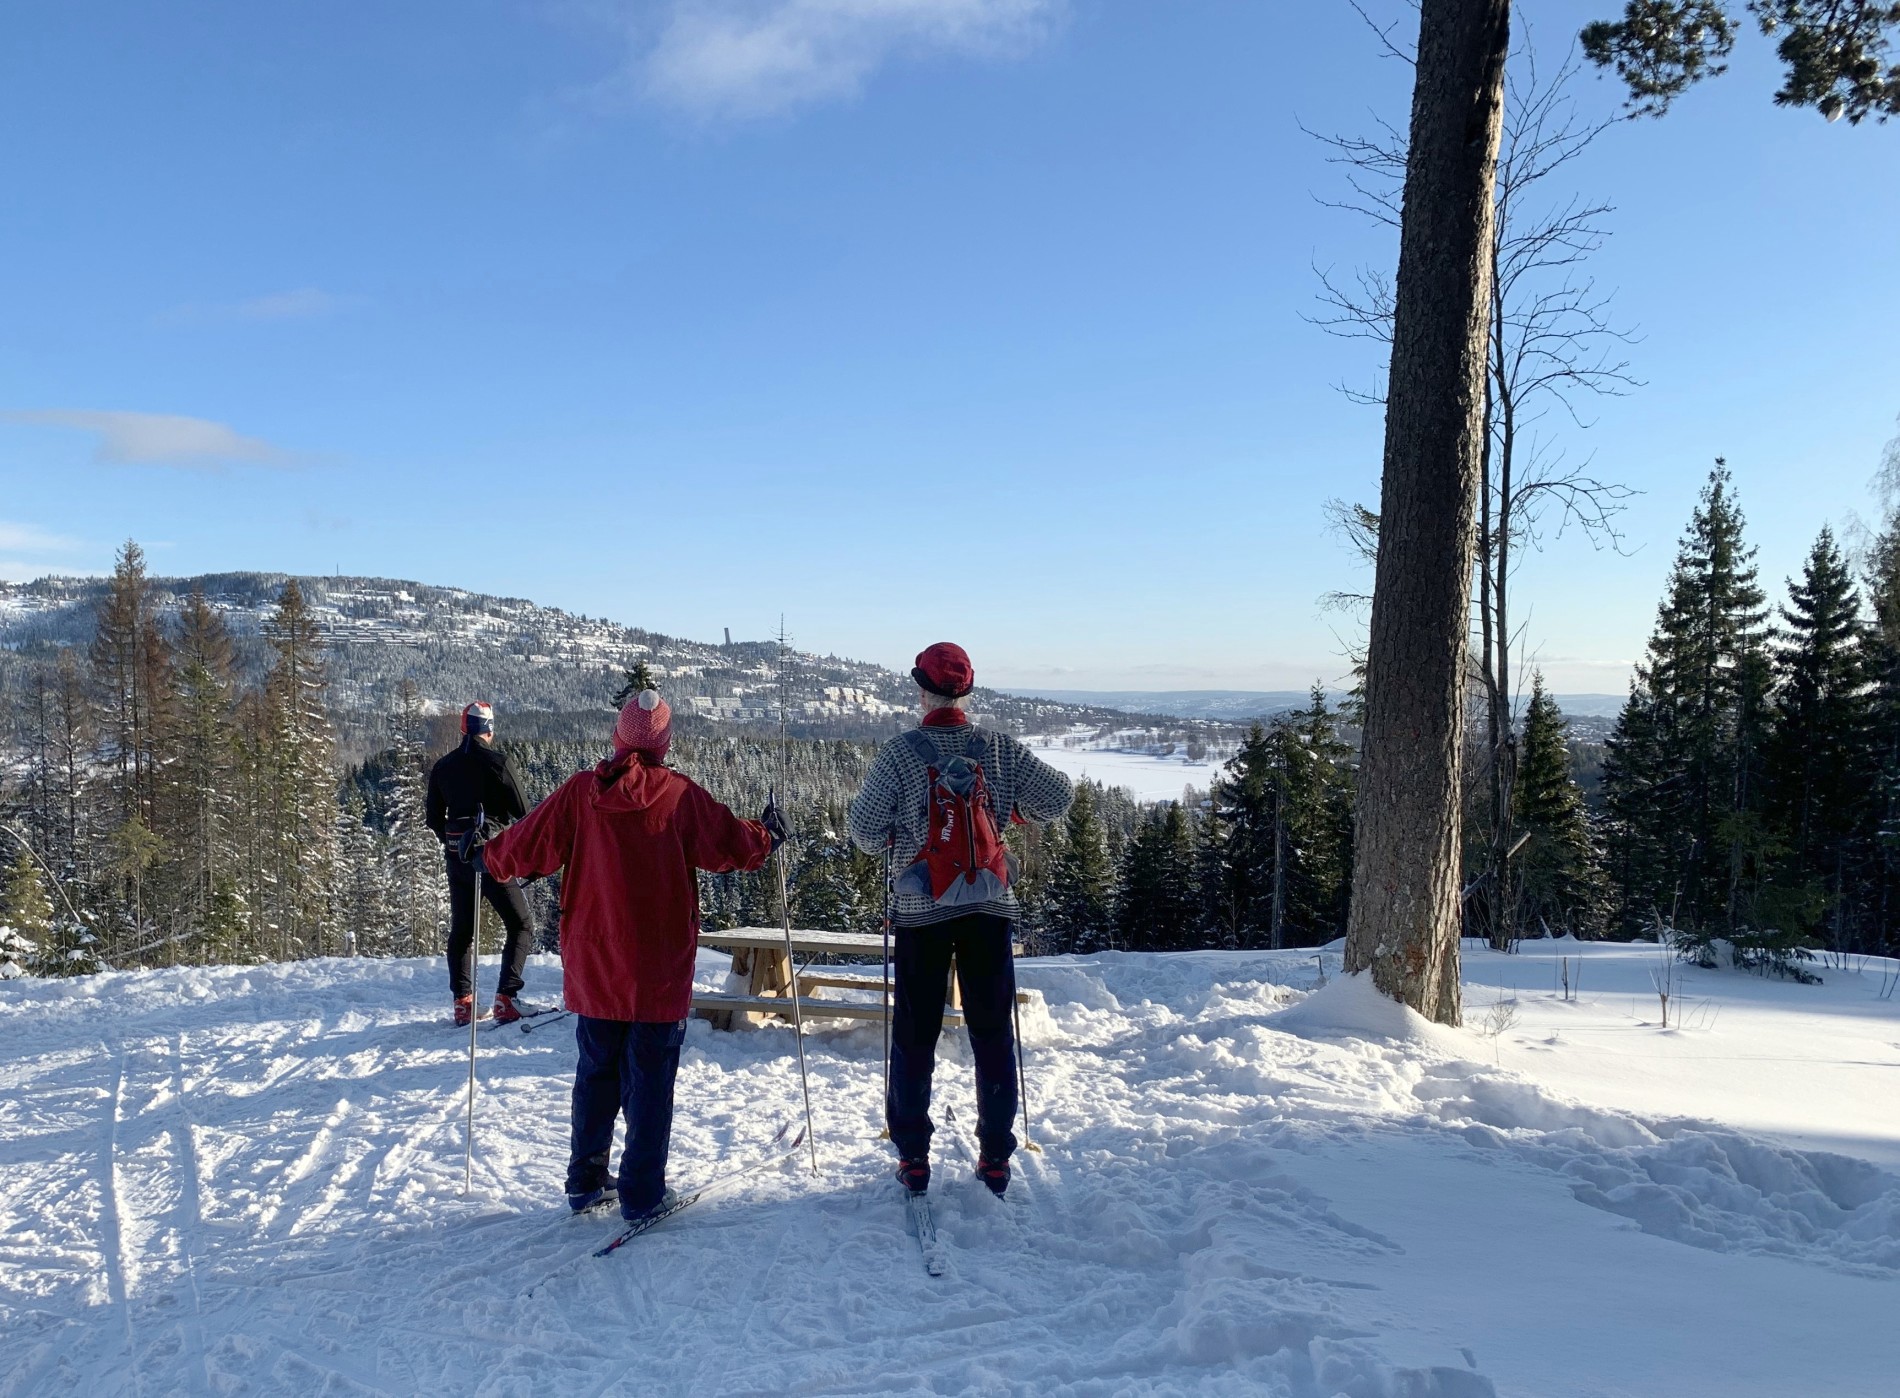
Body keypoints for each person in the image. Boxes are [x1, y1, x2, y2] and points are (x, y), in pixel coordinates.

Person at [476, 689, 783, 1223]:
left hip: (595, 964)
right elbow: (733, 844)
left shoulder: (581, 794)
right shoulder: (680, 797)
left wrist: (484, 854)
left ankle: (586, 1181)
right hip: (659, 970)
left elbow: (525, 845)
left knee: (596, 1073)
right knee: (651, 1081)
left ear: (619, 738)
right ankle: (641, 1194)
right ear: (664, 744)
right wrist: (768, 836)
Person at [848, 642, 1073, 1198]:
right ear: (966, 692)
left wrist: (902, 829)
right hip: (988, 908)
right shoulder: (999, 748)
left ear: (921, 691)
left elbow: (865, 834)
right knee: (992, 1034)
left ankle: (914, 1156)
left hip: (921, 911)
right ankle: (995, 1156)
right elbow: (1059, 797)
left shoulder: (900, 754)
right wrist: (1012, 812)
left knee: (915, 1035)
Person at [426, 702, 536, 1026]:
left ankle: (463, 1003)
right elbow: (524, 812)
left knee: (462, 930)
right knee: (520, 924)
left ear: (464, 728)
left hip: (457, 857)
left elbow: (433, 818)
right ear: (489, 729)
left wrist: (454, 846)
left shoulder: (443, 766)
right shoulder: (499, 763)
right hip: (492, 856)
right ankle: (507, 998)